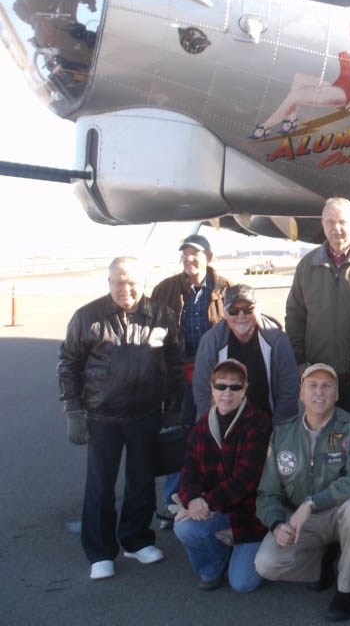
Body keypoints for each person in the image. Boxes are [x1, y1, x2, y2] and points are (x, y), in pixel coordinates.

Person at [57, 256, 183, 580]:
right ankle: (100, 551)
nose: (126, 289)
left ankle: (136, 539)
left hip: (146, 414)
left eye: (132, 282)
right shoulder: (87, 317)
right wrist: (73, 411)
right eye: (119, 282)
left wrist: (173, 405)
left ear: (143, 282)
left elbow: (175, 362)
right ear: (109, 282)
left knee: (141, 481)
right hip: (103, 417)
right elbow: (68, 364)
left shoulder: (162, 315)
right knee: (100, 486)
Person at [254, 364, 350, 621]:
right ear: (301, 394)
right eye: (312, 386)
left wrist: (312, 502)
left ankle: (348, 589)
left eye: (326, 386)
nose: (319, 392)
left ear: (336, 394)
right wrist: (276, 524)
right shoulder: (282, 434)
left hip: (337, 513)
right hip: (301, 521)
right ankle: (322, 566)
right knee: (265, 564)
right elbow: (268, 492)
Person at [150, 233, 231, 528]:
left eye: (195, 253)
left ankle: (216, 500)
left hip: (216, 377)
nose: (189, 258)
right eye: (185, 253)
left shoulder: (225, 288)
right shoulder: (165, 290)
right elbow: (152, 330)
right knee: (179, 440)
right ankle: (173, 504)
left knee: (216, 438)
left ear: (208, 257)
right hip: (179, 376)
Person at [173, 359, 271, 592]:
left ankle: (247, 544)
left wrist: (206, 502)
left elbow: (247, 479)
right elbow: (189, 471)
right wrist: (193, 499)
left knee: (243, 584)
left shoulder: (258, 424)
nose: (227, 393)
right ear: (212, 387)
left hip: (250, 514)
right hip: (217, 508)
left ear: (245, 388)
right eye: (221, 386)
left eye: (235, 387)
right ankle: (213, 566)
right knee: (184, 527)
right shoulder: (202, 426)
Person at [285, 197, 350, 412]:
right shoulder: (307, 265)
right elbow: (295, 316)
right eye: (329, 222)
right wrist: (299, 360)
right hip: (319, 376)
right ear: (322, 224)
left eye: (342, 222)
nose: (336, 228)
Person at [250, 17, 350, 138]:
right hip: (336, 86)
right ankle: (291, 119)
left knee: (296, 95)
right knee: (298, 78)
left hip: (344, 94)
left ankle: (264, 127)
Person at [194, 285, 298, 423]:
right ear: (225, 314)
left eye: (248, 309)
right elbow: (202, 391)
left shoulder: (278, 340)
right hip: (225, 423)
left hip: (269, 421)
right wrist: (212, 428)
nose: (241, 316)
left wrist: (279, 432)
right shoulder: (211, 341)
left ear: (258, 310)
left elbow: (289, 390)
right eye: (233, 311)